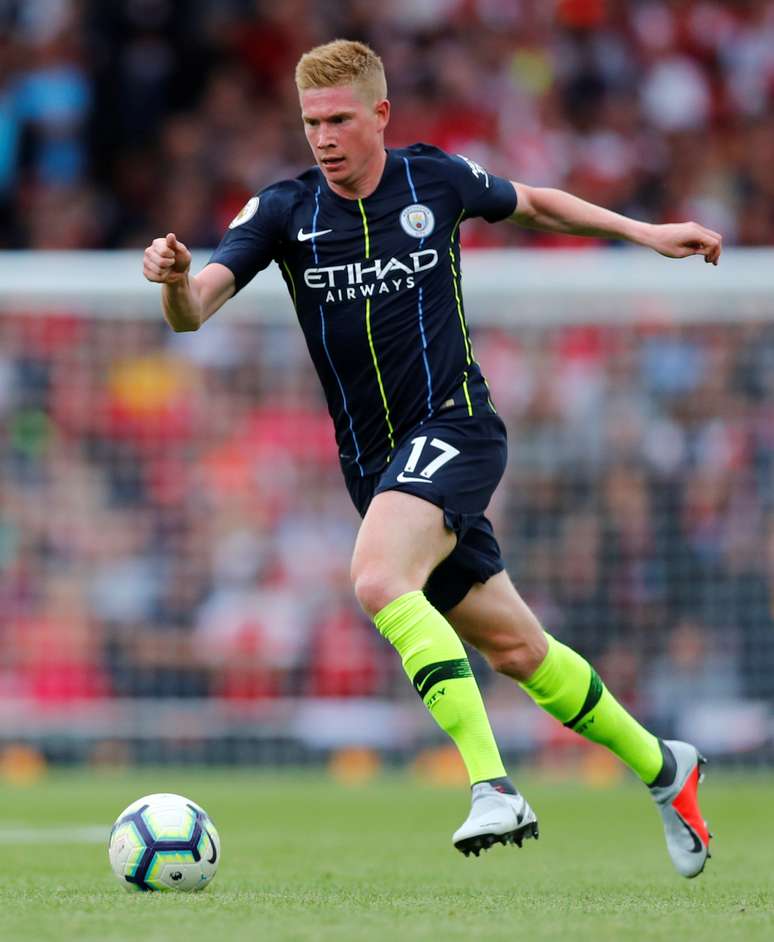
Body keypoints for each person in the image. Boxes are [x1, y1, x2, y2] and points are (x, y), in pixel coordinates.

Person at [143, 39, 720, 877]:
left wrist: (644, 231)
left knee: (379, 579)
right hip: (377, 469)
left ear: (380, 114)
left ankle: (492, 786)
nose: (324, 138)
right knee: (519, 651)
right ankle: (668, 769)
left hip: (458, 425)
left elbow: (535, 203)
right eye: (311, 123)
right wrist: (172, 278)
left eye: (340, 120)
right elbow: (192, 312)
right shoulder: (282, 211)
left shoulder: (434, 179)